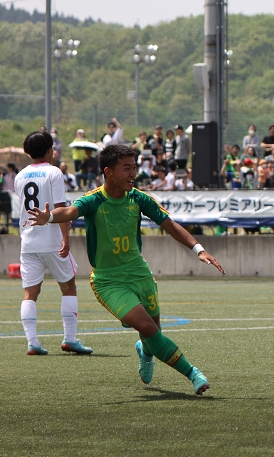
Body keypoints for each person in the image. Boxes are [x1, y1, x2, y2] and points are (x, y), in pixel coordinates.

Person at [28, 144, 226, 395]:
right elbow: (70, 211)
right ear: (108, 171)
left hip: (140, 275)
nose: (134, 173)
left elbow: (170, 224)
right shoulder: (94, 200)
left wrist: (199, 249)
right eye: (127, 168)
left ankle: (145, 351)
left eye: (134, 167)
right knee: (148, 328)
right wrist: (50, 218)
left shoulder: (139, 198)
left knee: (153, 335)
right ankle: (193, 373)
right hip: (108, 281)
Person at [15, 131, 92, 356]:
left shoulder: (20, 176)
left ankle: (33, 342)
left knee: (30, 293)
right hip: (52, 241)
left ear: (28, 152)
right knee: (68, 286)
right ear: (50, 151)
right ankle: (69, 339)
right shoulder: (54, 172)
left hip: (28, 242)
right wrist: (65, 238)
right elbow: (60, 209)